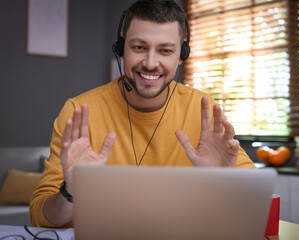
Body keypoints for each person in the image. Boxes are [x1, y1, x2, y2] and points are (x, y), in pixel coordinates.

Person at [29, 0, 255, 228]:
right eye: (139, 47)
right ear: (121, 47)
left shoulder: (203, 108)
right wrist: (72, 191)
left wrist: (224, 184)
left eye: (165, 50)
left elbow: (257, 199)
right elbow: (40, 217)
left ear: (181, 55)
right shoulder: (78, 111)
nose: (150, 63)